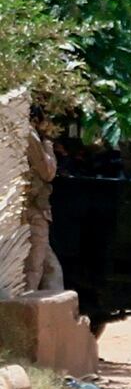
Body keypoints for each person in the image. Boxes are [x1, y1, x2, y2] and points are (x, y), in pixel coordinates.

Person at [24, 107, 63, 292]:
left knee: (50, 268)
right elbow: (48, 172)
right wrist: (48, 143)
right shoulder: (30, 135)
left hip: (33, 210)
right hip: (32, 211)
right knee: (34, 269)